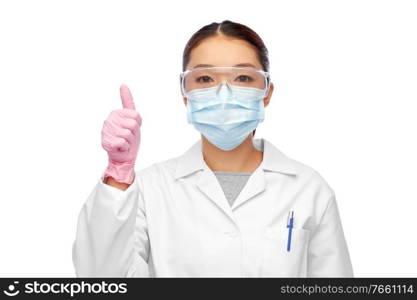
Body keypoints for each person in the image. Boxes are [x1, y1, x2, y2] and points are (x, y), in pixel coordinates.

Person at [72, 20, 353, 277]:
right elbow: (101, 279)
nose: (224, 93)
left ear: (266, 92)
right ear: (185, 94)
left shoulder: (309, 190)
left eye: (242, 78)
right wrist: (118, 174)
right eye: (205, 79)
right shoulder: (150, 190)